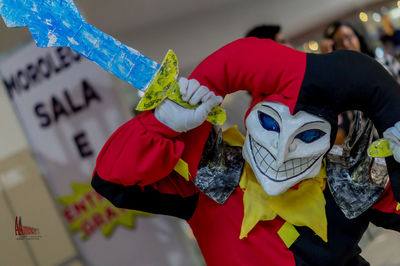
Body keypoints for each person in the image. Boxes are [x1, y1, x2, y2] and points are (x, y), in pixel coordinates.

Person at [92, 38, 400, 265]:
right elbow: (112, 180)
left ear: (327, 138)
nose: (281, 153)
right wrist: (162, 123)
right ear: (252, 117)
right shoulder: (211, 179)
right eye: (270, 123)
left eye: (307, 135)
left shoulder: (348, 183)